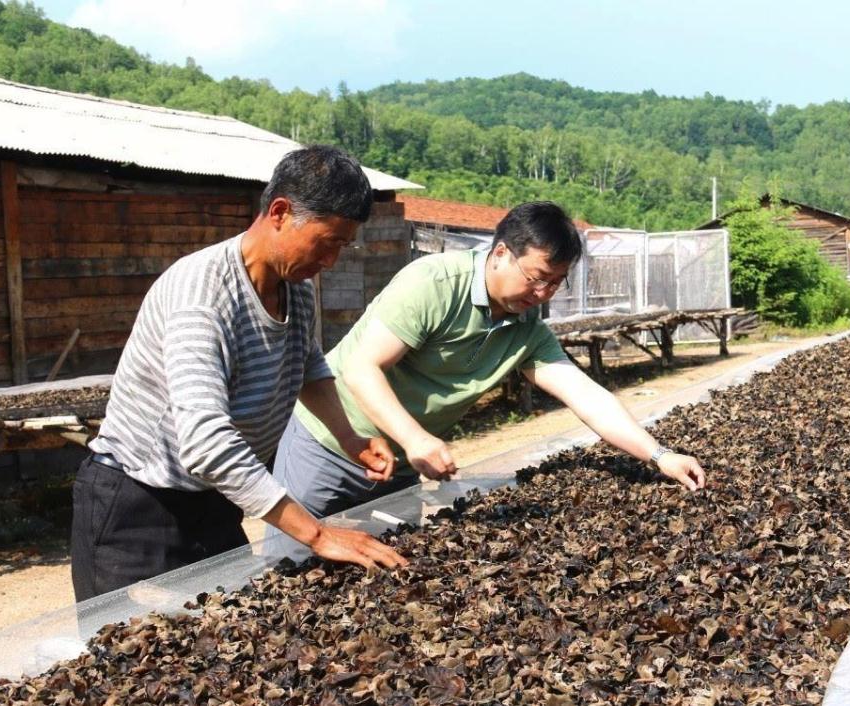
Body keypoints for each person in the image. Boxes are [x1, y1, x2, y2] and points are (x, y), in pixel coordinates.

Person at [71, 145, 406, 603]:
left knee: (223, 645)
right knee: (129, 659)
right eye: (327, 242)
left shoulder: (296, 290)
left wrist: (350, 439)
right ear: (281, 213)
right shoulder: (202, 294)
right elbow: (207, 443)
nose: (331, 261)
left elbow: (308, 368)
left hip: (215, 502)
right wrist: (317, 534)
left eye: (343, 247)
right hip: (138, 506)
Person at [269, 201, 706, 526]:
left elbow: (584, 394)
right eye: (536, 278)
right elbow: (361, 368)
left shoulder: (526, 327)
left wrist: (659, 454)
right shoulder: (434, 284)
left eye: (555, 284)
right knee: (289, 571)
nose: (541, 295)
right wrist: (417, 439)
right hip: (329, 443)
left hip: (400, 465)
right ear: (500, 254)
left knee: (373, 572)